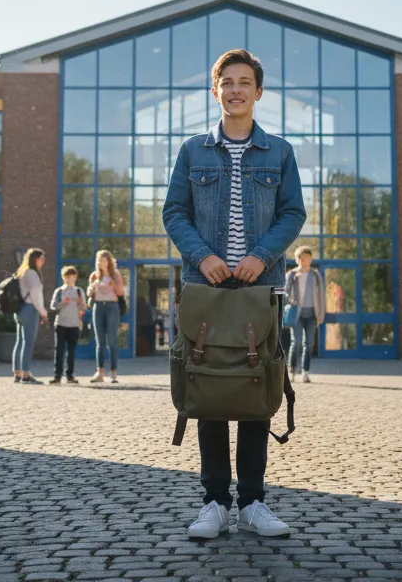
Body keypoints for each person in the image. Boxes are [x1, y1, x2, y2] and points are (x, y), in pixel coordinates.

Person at [163, 48, 305, 540]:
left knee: (252, 388)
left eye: (246, 82)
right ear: (215, 90)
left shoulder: (280, 152)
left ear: (259, 92)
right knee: (208, 388)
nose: (237, 89)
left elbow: (292, 214)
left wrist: (261, 256)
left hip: (260, 289)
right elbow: (174, 212)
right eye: (228, 82)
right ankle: (214, 503)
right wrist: (202, 256)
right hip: (205, 288)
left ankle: (254, 502)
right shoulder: (192, 151)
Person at [283, 246, 325, 383]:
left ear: (310, 259)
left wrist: (320, 313)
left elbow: (321, 296)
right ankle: (292, 371)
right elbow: (285, 294)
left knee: (309, 344)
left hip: (312, 314)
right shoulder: (291, 275)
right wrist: (293, 282)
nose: (303, 260)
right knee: (296, 343)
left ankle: (305, 372)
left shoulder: (316, 275)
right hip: (297, 314)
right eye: (301, 258)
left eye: (306, 258)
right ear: (297, 260)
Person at [87, 249, 125, 384]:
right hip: (98, 307)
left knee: (112, 341)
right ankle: (100, 372)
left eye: (103, 260)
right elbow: (89, 292)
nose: (101, 262)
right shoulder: (94, 276)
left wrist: (113, 285)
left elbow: (120, 292)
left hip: (112, 307)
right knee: (100, 342)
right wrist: (90, 290)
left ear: (109, 261)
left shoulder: (115, 275)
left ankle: (113, 373)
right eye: (99, 260)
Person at [12, 248, 47, 384]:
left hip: (20, 310)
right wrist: (43, 313)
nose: (43, 262)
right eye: (41, 259)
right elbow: (36, 296)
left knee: (19, 342)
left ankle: (17, 373)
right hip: (30, 310)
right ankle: (26, 374)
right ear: (35, 259)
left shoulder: (22, 272)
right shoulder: (32, 274)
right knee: (28, 343)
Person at [49, 265, 86, 384]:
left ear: (75, 277)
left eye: (71, 276)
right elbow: (53, 306)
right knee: (59, 350)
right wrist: (62, 303)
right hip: (60, 324)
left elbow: (84, 308)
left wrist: (80, 302)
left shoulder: (79, 291)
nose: (68, 279)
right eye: (66, 277)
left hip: (74, 324)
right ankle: (57, 375)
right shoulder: (59, 291)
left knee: (71, 351)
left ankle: (70, 375)